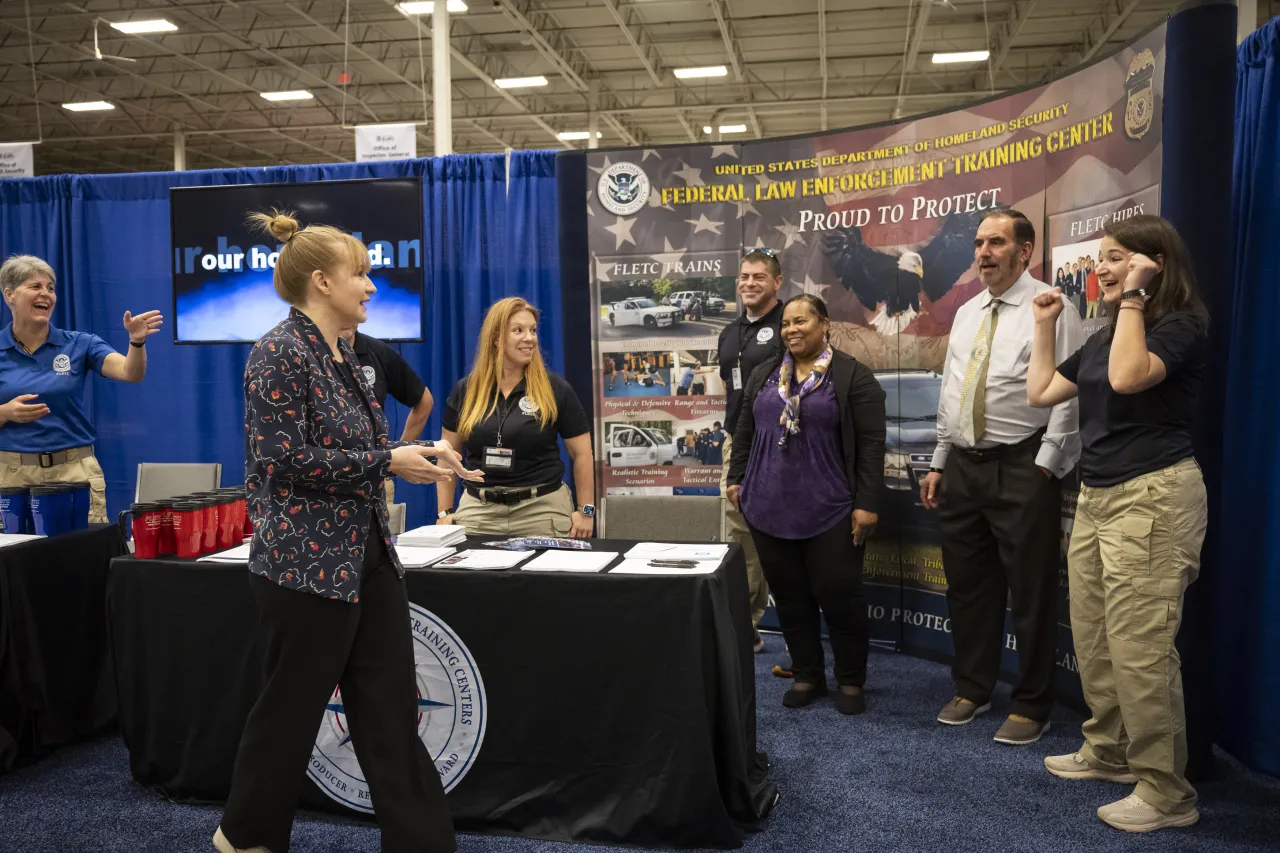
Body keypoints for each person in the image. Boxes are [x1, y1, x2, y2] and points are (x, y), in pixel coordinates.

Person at [215, 211, 480, 853]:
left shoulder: (348, 356)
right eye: (359, 273)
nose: (370, 285)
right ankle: (245, 836)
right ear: (320, 282)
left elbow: (353, 456)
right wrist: (388, 458)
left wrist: (411, 457)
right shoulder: (278, 352)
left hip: (367, 559)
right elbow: (281, 459)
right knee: (290, 713)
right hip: (304, 571)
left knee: (389, 714)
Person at [1027, 215, 1209, 833]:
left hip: (1154, 497)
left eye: (1114, 259)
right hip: (1099, 498)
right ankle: (1109, 751)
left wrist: (1133, 295)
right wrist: (1045, 325)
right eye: (1101, 260)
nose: (1099, 269)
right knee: (1096, 635)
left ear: (1152, 264)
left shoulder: (1180, 324)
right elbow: (1042, 391)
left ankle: (1166, 792)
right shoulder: (1106, 334)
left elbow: (1132, 379)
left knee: (1141, 649)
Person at [918, 208, 1084, 745]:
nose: (983, 253)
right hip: (964, 466)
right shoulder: (967, 311)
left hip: (1023, 464)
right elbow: (953, 389)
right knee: (967, 586)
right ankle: (973, 686)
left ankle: (1033, 703)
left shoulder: (1053, 308)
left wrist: (1046, 465)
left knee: (1031, 590)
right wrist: (941, 460)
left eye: (996, 243)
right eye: (979, 243)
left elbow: (1069, 391)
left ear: (1025, 251)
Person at [726, 295, 885, 715]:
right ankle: (807, 674)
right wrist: (735, 478)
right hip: (767, 505)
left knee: (839, 596)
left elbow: (871, 446)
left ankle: (850, 680)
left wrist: (867, 503)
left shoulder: (853, 376)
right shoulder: (765, 373)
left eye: (802, 322)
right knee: (791, 598)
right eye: (786, 324)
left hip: (830, 507)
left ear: (824, 324)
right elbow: (745, 427)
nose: (792, 330)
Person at [0, 254, 162, 523]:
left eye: (51, 288)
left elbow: (130, 372)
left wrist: (136, 342)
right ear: (9, 295)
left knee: (80, 558)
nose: (46, 294)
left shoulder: (80, 344)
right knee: (14, 562)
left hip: (74, 472)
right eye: (35, 287)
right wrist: (4, 412)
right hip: (11, 476)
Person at [436, 297, 595, 538]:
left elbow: (582, 454)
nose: (529, 338)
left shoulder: (555, 389)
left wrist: (586, 511)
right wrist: (444, 512)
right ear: (496, 338)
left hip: (542, 510)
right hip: (479, 511)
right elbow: (448, 456)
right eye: (518, 330)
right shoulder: (466, 390)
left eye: (533, 330)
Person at [718, 249, 784, 650]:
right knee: (739, 532)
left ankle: (798, 628)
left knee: (783, 532)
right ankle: (747, 623)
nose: (749, 283)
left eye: (759, 276)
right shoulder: (729, 332)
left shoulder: (791, 323)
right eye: (744, 276)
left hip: (782, 441)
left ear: (777, 281)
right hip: (738, 442)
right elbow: (732, 388)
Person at [339, 324, 434, 506]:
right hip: (325, 475)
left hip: (374, 474)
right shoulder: (305, 352)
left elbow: (424, 401)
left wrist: (399, 453)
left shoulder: (376, 351)